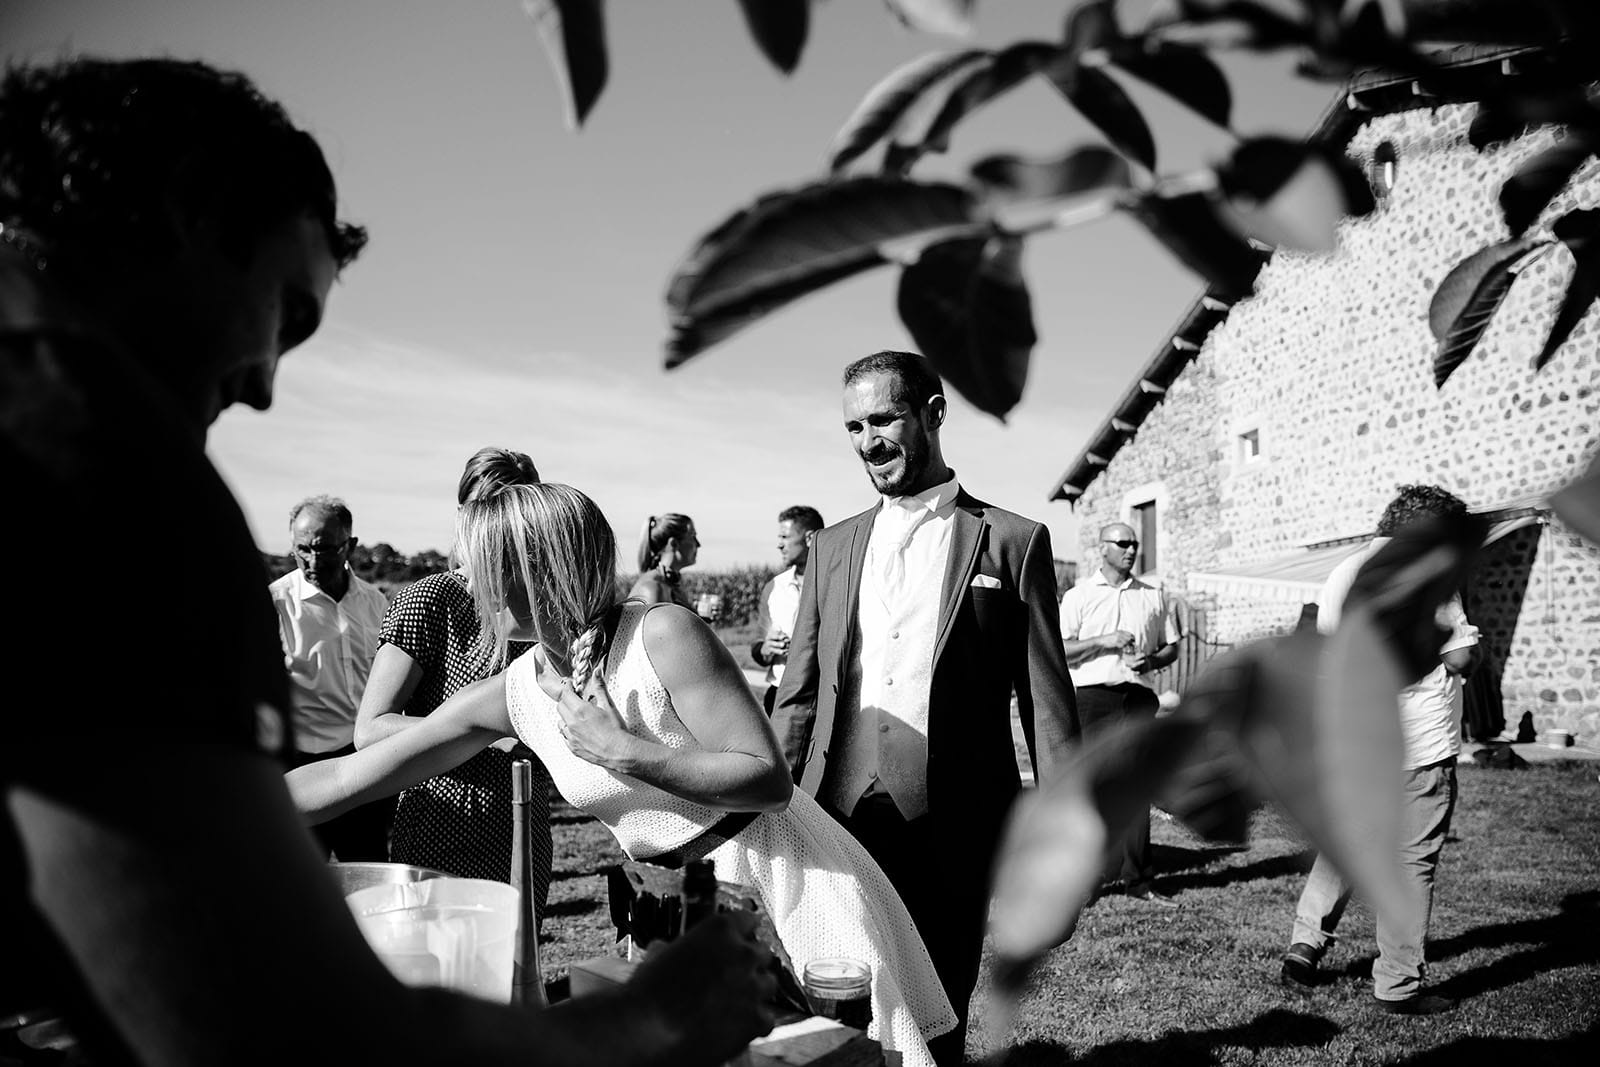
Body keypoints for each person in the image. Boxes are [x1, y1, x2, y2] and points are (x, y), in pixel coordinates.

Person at [1, 56, 775, 1067]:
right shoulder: (94, 463)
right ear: (193, 217)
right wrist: (652, 1015)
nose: (269, 382)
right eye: (287, 311)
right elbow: (293, 1022)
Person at [289, 484, 958, 1067]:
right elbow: (353, 774)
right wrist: (220, 805)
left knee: (842, 1055)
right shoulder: (516, 690)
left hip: (790, 883)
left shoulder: (660, 635)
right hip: (682, 907)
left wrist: (624, 751)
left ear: (529, 569)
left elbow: (767, 779)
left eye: (477, 563)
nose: (463, 578)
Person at [771, 350, 1079, 1063]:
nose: (868, 440)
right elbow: (800, 690)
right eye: (853, 426)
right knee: (837, 1005)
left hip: (955, 822)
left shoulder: (1011, 541)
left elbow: (1048, 707)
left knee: (938, 1009)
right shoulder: (833, 546)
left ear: (934, 412)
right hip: (835, 819)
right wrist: (770, 803)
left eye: (883, 418)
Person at [1280, 485, 1480, 1016]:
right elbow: (1459, 658)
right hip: (1418, 740)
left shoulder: (1345, 572)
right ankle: (1398, 984)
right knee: (1412, 861)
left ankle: (1305, 944)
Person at [355, 446, 552, 905]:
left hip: (524, 822)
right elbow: (370, 729)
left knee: (520, 970)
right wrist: (488, 733)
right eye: (491, 509)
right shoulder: (429, 600)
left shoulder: (540, 607)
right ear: (465, 515)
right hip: (442, 820)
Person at [1057, 521, 1184, 906]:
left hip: (1139, 697)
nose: (1131, 550)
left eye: (1135, 544)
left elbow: (1172, 647)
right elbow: (1061, 648)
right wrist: (1102, 641)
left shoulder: (1153, 595)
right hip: (1094, 698)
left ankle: (1139, 880)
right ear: (1103, 549)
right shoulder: (1079, 596)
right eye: (1123, 543)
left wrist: (1152, 660)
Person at [269, 494, 394, 861]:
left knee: (369, 869)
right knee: (302, 880)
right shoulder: (276, 605)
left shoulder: (376, 604)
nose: (311, 560)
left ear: (350, 546)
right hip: (301, 766)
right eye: (301, 549)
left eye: (323, 549)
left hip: (364, 763)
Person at [751, 505, 824, 715]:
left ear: (810, 538)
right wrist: (766, 648)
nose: (779, 545)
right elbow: (758, 647)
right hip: (780, 694)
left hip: (824, 695)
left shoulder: (838, 582)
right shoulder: (774, 587)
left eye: (785, 537)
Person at [630, 512, 698, 609]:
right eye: (693, 536)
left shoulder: (671, 582)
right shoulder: (653, 588)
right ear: (673, 544)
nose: (698, 544)